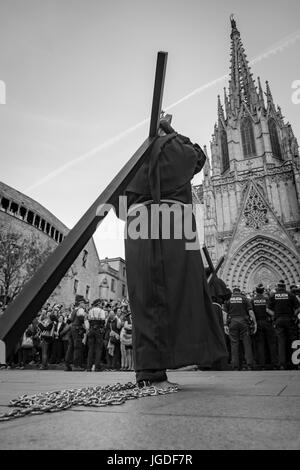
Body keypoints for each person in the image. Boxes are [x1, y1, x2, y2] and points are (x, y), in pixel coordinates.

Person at [117, 118, 228, 388]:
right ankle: (191, 354)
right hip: (175, 227)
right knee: (183, 295)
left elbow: (120, 209)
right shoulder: (178, 150)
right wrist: (173, 133)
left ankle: (149, 371)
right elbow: (199, 157)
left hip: (139, 230)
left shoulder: (133, 164)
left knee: (144, 300)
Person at [268, 280, 300, 369]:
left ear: (278, 287)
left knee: (281, 342)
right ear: (285, 287)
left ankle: (282, 364)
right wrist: (293, 314)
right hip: (289, 320)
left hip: (278, 320)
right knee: (293, 341)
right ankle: (295, 363)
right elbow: (298, 308)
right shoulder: (291, 295)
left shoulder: (273, 296)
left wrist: (275, 316)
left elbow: (268, 309)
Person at [223, 286, 257, 370]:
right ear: (240, 292)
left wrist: (225, 325)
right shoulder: (245, 299)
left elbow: (224, 314)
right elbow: (251, 312)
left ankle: (235, 366)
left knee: (234, 344)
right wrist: (255, 323)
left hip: (233, 322)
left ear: (233, 292)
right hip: (244, 323)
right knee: (247, 343)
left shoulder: (229, 300)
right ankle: (249, 364)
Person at [251, 283, 277, 369]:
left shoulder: (252, 300)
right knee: (271, 343)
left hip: (258, 323)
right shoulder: (267, 299)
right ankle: (274, 363)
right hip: (267, 322)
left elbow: (251, 313)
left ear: (256, 291)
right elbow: (272, 312)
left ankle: (261, 364)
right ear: (263, 291)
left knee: (260, 344)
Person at [65, 295, 86, 371]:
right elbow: (81, 320)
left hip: (72, 329)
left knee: (70, 347)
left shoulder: (74, 310)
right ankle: (76, 365)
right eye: (84, 303)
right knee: (77, 347)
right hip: (77, 329)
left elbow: (69, 321)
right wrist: (85, 328)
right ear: (80, 303)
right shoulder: (80, 310)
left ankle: (67, 364)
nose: (84, 305)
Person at [86, 299, 106, 371]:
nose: (102, 305)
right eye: (101, 304)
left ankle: (89, 367)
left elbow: (89, 320)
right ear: (99, 304)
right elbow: (103, 321)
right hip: (98, 330)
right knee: (98, 349)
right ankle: (97, 367)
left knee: (90, 349)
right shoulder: (101, 311)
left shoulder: (90, 310)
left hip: (91, 329)